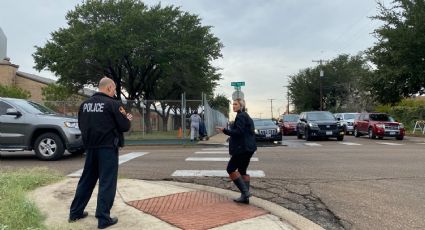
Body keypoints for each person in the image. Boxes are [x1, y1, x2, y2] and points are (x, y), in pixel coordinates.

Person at [68, 77, 132, 229]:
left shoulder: (84, 105)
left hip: (90, 148)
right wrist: (127, 118)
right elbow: (124, 126)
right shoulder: (113, 104)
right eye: (115, 89)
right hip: (107, 149)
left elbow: (82, 125)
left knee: (86, 181)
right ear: (109, 87)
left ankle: (75, 213)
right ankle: (103, 218)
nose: (115, 92)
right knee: (107, 182)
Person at [216, 98, 257, 204]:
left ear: (241, 106)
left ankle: (245, 193)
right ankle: (245, 198)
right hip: (249, 148)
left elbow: (238, 132)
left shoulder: (241, 116)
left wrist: (224, 130)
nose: (233, 106)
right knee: (242, 171)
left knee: (230, 168)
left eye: (236, 104)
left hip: (242, 149)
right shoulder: (246, 116)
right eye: (233, 104)